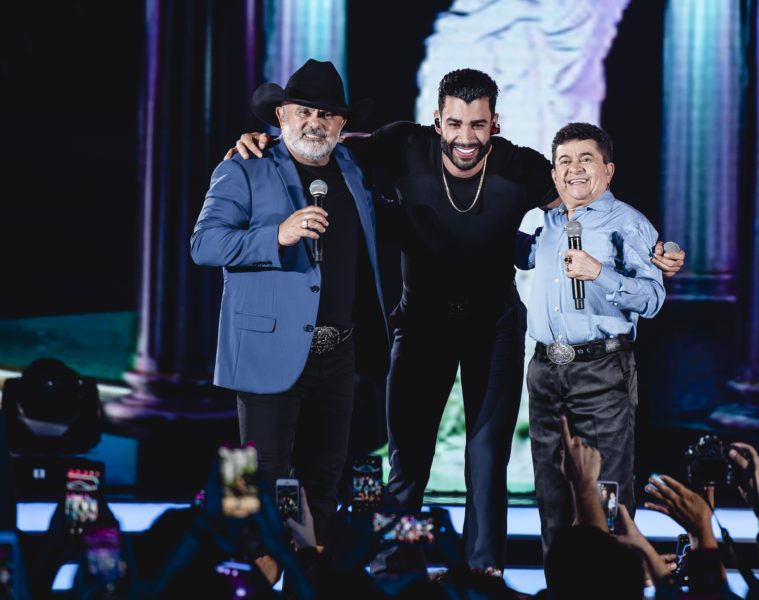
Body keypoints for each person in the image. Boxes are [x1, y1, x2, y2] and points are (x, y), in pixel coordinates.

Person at [229, 68, 686, 574]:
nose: (465, 137)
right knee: (407, 461)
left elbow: (585, 203)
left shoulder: (520, 166)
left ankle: (482, 572)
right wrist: (264, 143)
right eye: (454, 124)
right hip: (421, 326)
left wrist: (649, 249)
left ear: (495, 124)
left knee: (486, 461)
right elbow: (323, 144)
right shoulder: (402, 145)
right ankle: (396, 567)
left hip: (495, 328)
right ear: (436, 121)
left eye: (478, 124)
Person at [190, 58, 389, 547]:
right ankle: (247, 571)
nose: (314, 123)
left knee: (324, 481)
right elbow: (204, 245)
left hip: (337, 354)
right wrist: (276, 235)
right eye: (303, 111)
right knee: (253, 484)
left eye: (327, 114)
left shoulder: (352, 166)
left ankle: (311, 574)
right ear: (280, 115)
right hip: (265, 352)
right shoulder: (243, 166)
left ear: (342, 125)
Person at [525, 122, 665, 563]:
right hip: (545, 371)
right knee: (552, 494)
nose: (574, 169)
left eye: (586, 159)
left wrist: (599, 272)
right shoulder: (546, 223)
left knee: (608, 494)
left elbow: (653, 298)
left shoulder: (628, 223)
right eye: (564, 161)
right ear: (553, 174)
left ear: (608, 170)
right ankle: (559, 585)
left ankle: (610, 583)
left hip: (601, 371)